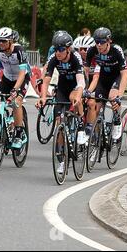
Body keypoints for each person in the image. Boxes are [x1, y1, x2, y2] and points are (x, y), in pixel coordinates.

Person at [36, 32, 86, 173]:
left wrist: (79, 95)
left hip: (76, 84)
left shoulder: (76, 58)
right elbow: (46, 80)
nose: (58, 52)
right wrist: (43, 97)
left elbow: (81, 81)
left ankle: (81, 127)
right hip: (63, 86)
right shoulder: (53, 58)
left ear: (68, 49)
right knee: (59, 122)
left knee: (74, 97)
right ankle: (62, 160)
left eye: (61, 49)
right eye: (56, 49)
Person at [0, 27, 31, 149]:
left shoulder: (19, 50)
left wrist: (15, 89)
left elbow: (22, 72)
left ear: (10, 41)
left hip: (21, 79)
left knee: (16, 102)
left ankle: (20, 133)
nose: (1, 44)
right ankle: (3, 122)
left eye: (4, 41)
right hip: (6, 78)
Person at [84, 27, 127, 142]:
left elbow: (124, 74)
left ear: (109, 41)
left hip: (116, 77)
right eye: (96, 41)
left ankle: (117, 122)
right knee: (96, 106)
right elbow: (85, 71)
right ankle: (96, 137)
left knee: (113, 97)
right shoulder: (92, 50)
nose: (99, 45)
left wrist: (120, 94)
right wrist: (85, 89)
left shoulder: (116, 50)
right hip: (103, 79)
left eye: (102, 42)